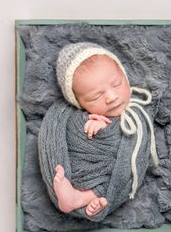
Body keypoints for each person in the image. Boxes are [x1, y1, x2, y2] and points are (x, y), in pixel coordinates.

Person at [45, 42, 158, 218]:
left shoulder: (141, 106)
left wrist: (109, 128)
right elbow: (70, 133)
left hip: (113, 175)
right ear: (79, 103)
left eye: (117, 83)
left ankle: (83, 198)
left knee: (117, 170)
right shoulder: (77, 115)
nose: (112, 97)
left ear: (124, 76)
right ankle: (78, 195)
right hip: (85, 169)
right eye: (96, 96)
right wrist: (86, 123)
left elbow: (136, 145)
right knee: (83, 160)